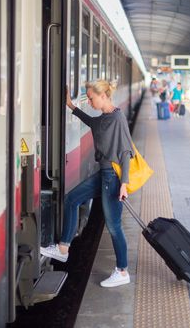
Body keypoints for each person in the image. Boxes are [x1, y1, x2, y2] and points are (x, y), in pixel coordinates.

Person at [41, 80, 134, 288]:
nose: (89, 102)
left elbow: (126, 152)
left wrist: (124, 183)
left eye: (91, 98)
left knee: (114, 226)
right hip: (104, 174)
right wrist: (71, 106)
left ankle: (122, 270)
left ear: (103, 96)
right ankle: (63, 249)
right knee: (72, 199)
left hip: (113, 177)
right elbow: (92, 123)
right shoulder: (104, 118)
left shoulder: (117, 118)